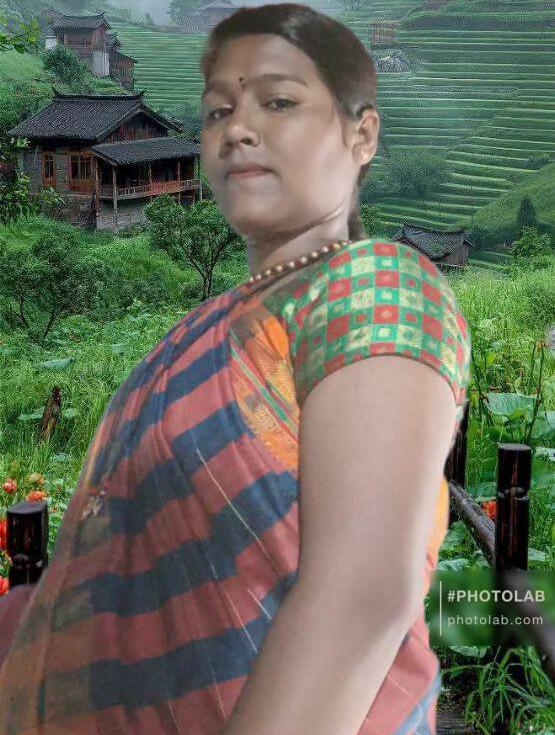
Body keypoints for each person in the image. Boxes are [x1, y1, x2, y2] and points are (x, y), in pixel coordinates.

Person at [0, 4, 471, 734]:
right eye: (220, 110)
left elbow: (362, 596)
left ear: (361, 135)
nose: (239, 129)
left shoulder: (375, 288)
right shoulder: (204, 326)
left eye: (278, 102)